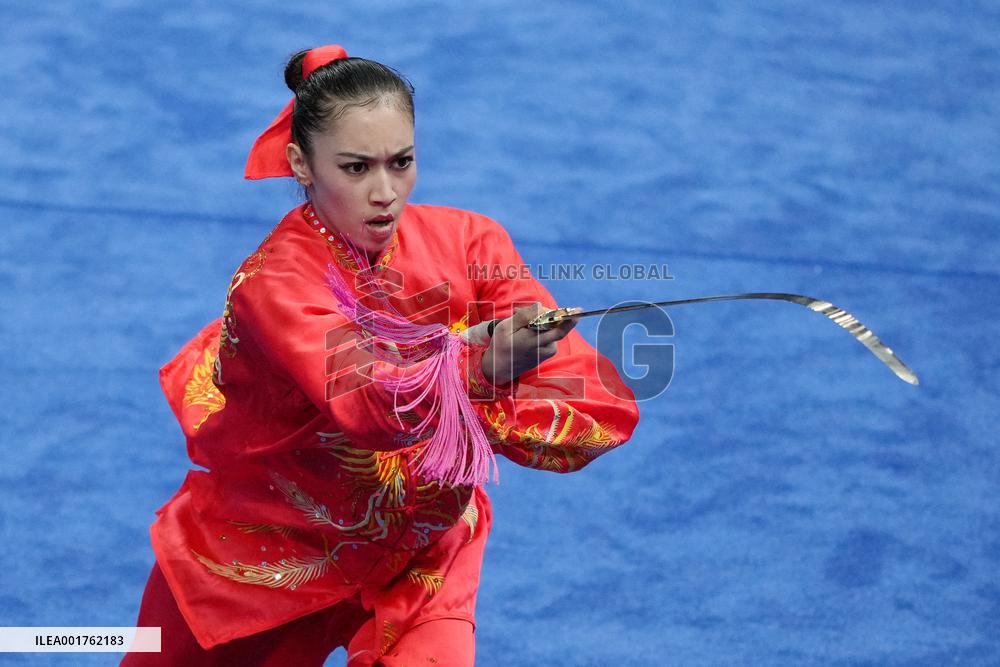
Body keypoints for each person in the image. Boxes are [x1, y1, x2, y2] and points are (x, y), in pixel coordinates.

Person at [121, 44, 640, 666]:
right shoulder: (276, 285)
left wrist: (520, 367)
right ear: (301, 163)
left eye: (402, 162)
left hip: (420, 556)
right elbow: (369, 403)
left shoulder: (471, 242)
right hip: (268, 552)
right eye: (356, 168)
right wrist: (484, 371)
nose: (385, 193)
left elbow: (591, 404)